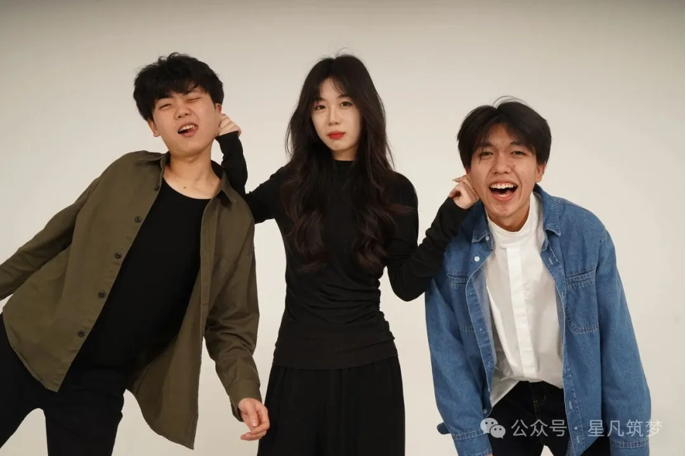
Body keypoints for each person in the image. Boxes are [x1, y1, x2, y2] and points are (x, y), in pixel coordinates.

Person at [0, 52, 268, 456]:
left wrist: (244, 391)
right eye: (166, 105)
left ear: (218, 112)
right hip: (22, 345)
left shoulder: (235, 219)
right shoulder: (126, 172)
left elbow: (231, 324)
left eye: (192, 99)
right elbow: (49, 241)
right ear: (153, 126)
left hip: (98, 386)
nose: (181, 111)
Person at [215, 54, 477, 455]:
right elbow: (233, 215)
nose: (332, 118)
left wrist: (450, 217)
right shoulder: (293, 182)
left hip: (369, 372)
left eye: (345, 103)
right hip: (297, 367)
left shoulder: (394, 189)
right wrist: (231, 147)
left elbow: (406, 284)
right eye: (319, 106)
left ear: (365, 108)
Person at [425, 98, 651, 456]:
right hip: (502, 399)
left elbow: (618, 347)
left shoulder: (584, 235)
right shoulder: (451, 247)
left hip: (577, 397)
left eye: (517, 153)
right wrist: (473, 448)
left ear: (540, 168)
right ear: (468, 170)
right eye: (485, 154)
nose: (501, 166)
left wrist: (630, 445)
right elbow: (449, 359)